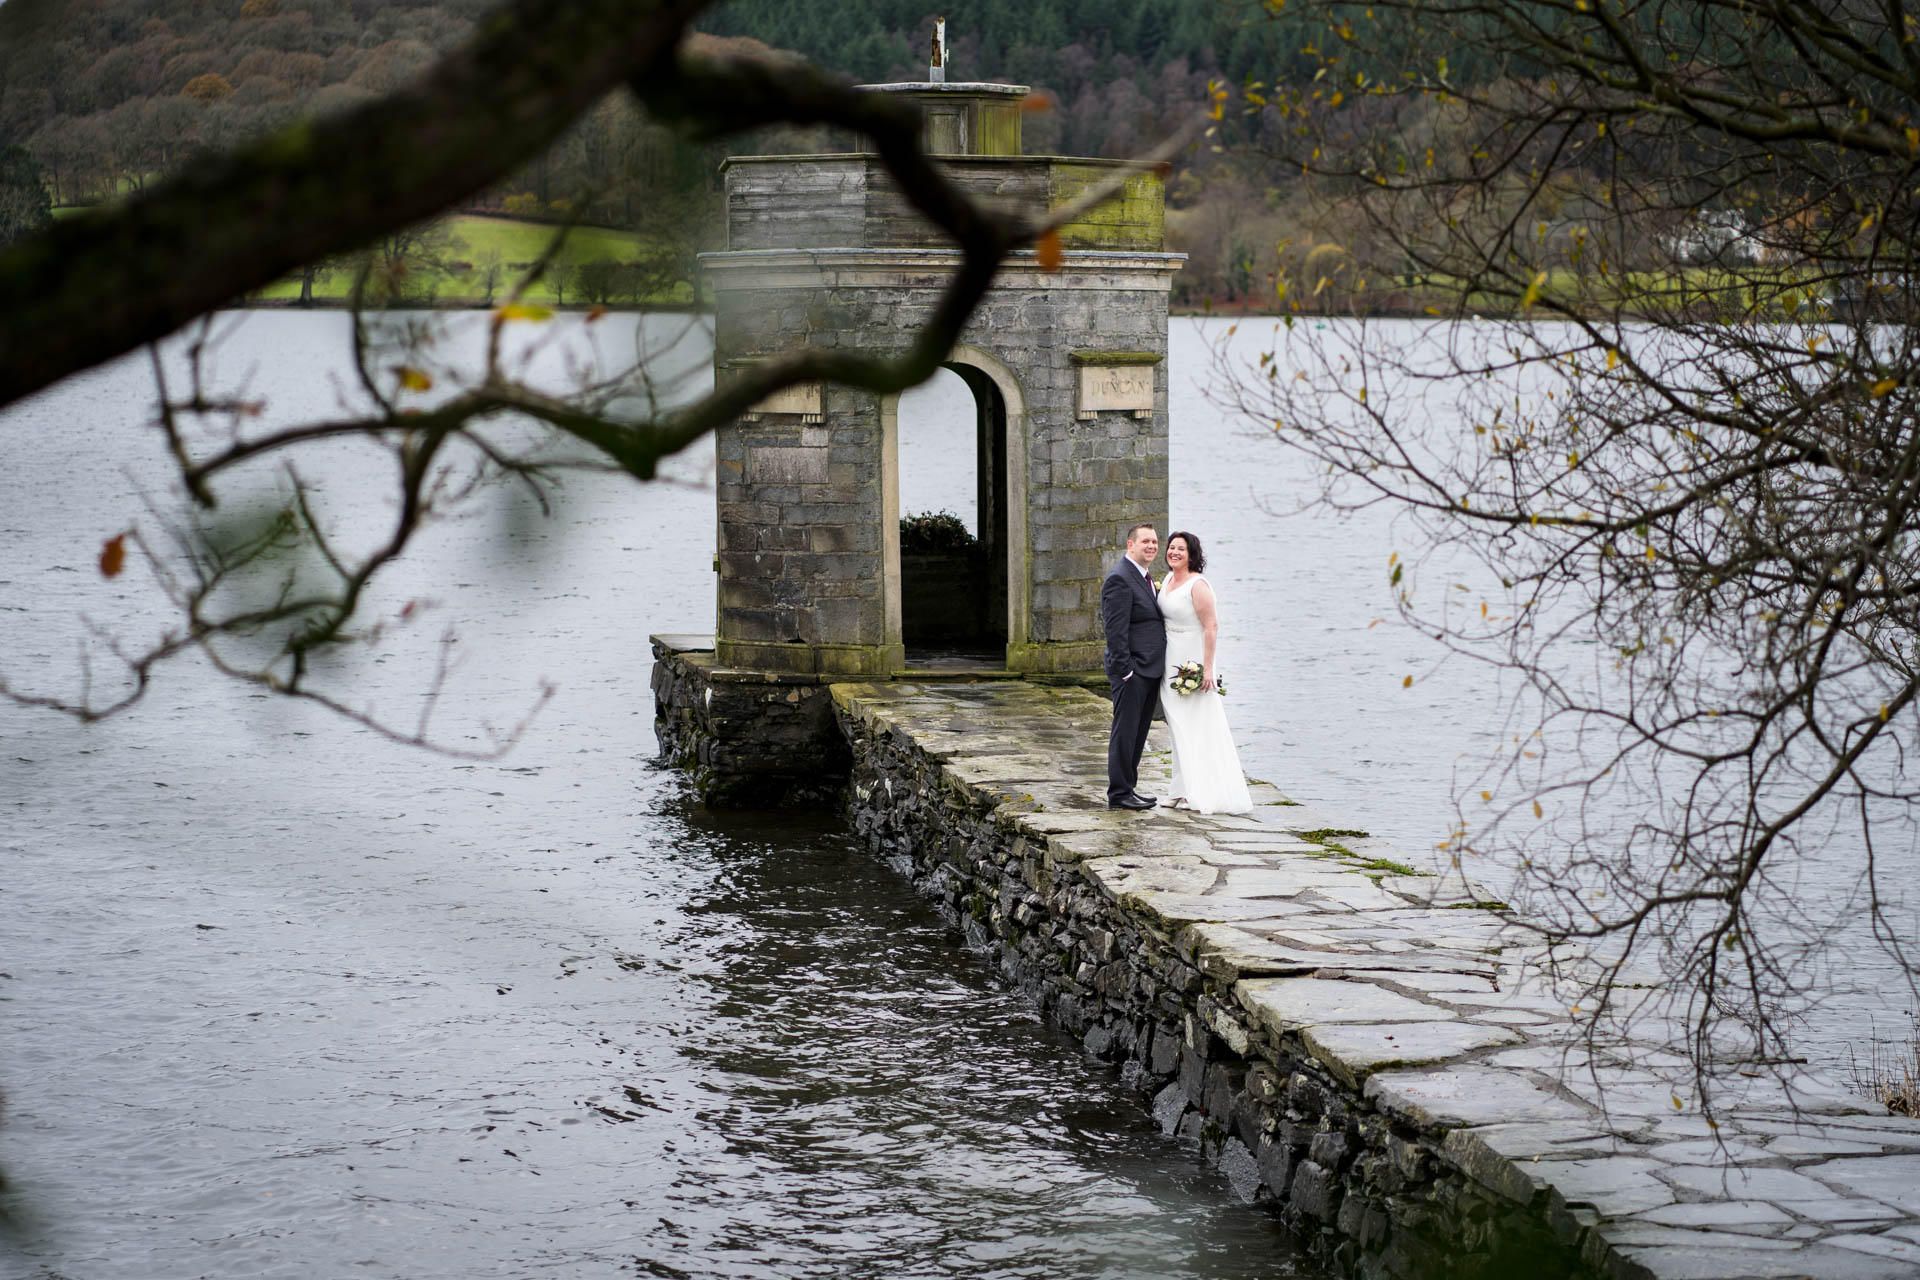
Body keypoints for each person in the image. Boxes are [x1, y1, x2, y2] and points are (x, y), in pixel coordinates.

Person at [1156, 531, 1252, 814]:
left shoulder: (1198, 585)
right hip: (1169, 659)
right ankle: (1180, 787)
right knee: (1176, 725)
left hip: (1192, 661)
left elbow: (1211, 627)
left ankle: (1197, 791)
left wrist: (1207, 669)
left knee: (1195, 726)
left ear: (1192, 554)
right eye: (1171, 547)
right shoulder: (1170, 580)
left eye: (1181, 549)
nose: (1174, 552)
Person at [1102, 522, 1166, 810]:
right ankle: (1118, 794)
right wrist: (1125, 669)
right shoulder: (1120, 578)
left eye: (1154, 542)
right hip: (1133, 671)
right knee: (1125, 732)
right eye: (1145, 542)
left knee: (1138, 733)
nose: (1151, 546)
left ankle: (1129, 787)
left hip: (1148, 669)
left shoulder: (1143, 576)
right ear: (1130, 545)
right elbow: (1115, 630)